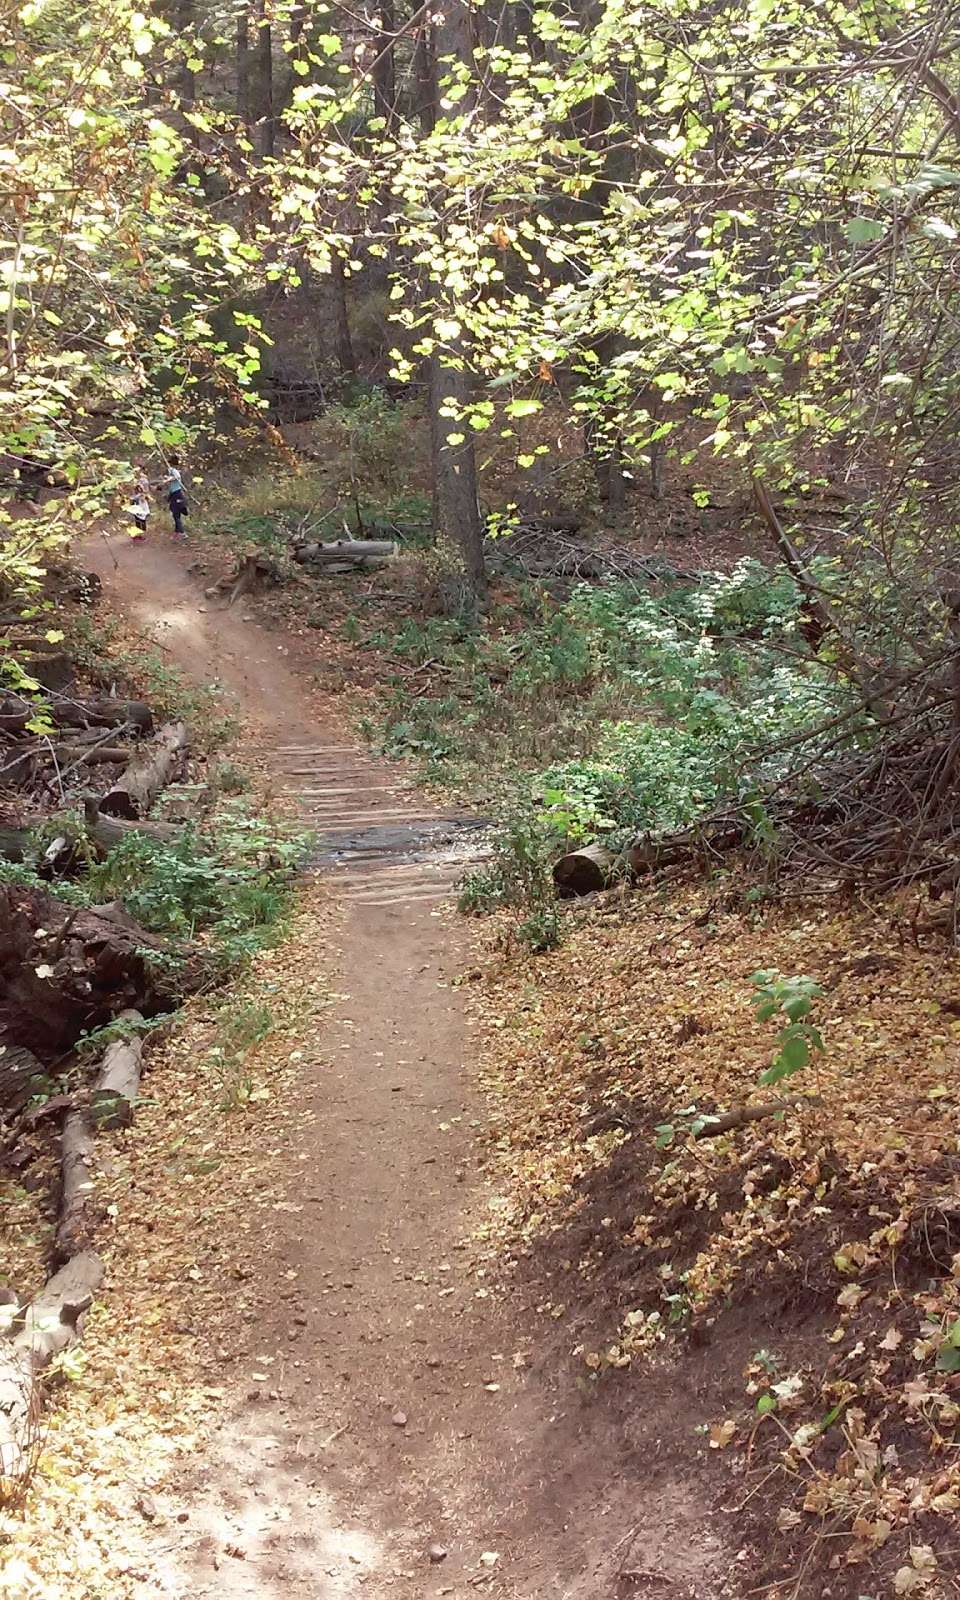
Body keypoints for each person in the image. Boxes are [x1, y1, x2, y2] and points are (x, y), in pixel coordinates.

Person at [156, 454, 189, 538]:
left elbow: (176, 477)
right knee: (175, 513)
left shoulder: (174, 471)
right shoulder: (170, 471)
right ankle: (177, 532)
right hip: (173, 494)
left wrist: (168, 479)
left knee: (176, 513)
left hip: (177, 493)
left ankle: (182, 533)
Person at [127, 462, 151, 539]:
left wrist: (143, 496)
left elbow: (146, 490)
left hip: (141, 499)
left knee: (142, 516)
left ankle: (142, 534)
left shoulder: (144, 479)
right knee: (136, 517)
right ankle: (137, 534)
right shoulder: (134, 479)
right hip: (135, 499)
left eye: (137, 468)